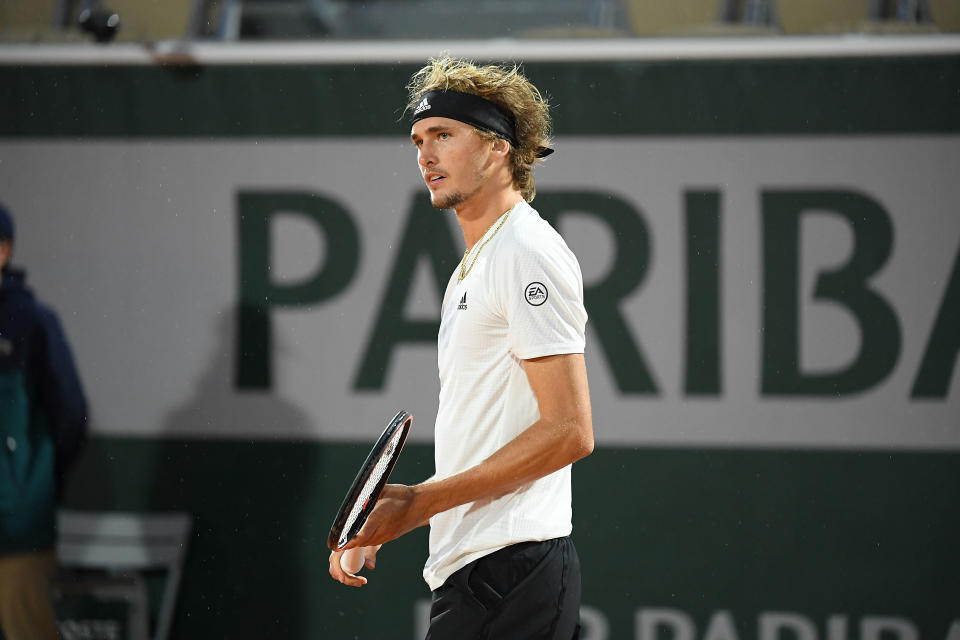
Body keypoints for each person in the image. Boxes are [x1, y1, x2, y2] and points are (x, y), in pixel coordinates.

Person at [329, 56, 593, 639]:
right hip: (482, 570)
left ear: (498, 148)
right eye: (419, 139)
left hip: (512, 568)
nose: (425, 155)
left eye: (444, 136)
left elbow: (570, 430)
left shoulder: (526, 251)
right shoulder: (479, 262)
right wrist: (405, 515)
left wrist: (419, 503)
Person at [0, 204, 88, 640]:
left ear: (4, 251)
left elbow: (69, 417)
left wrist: (29, 486)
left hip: (17, 529)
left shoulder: (32, 324)